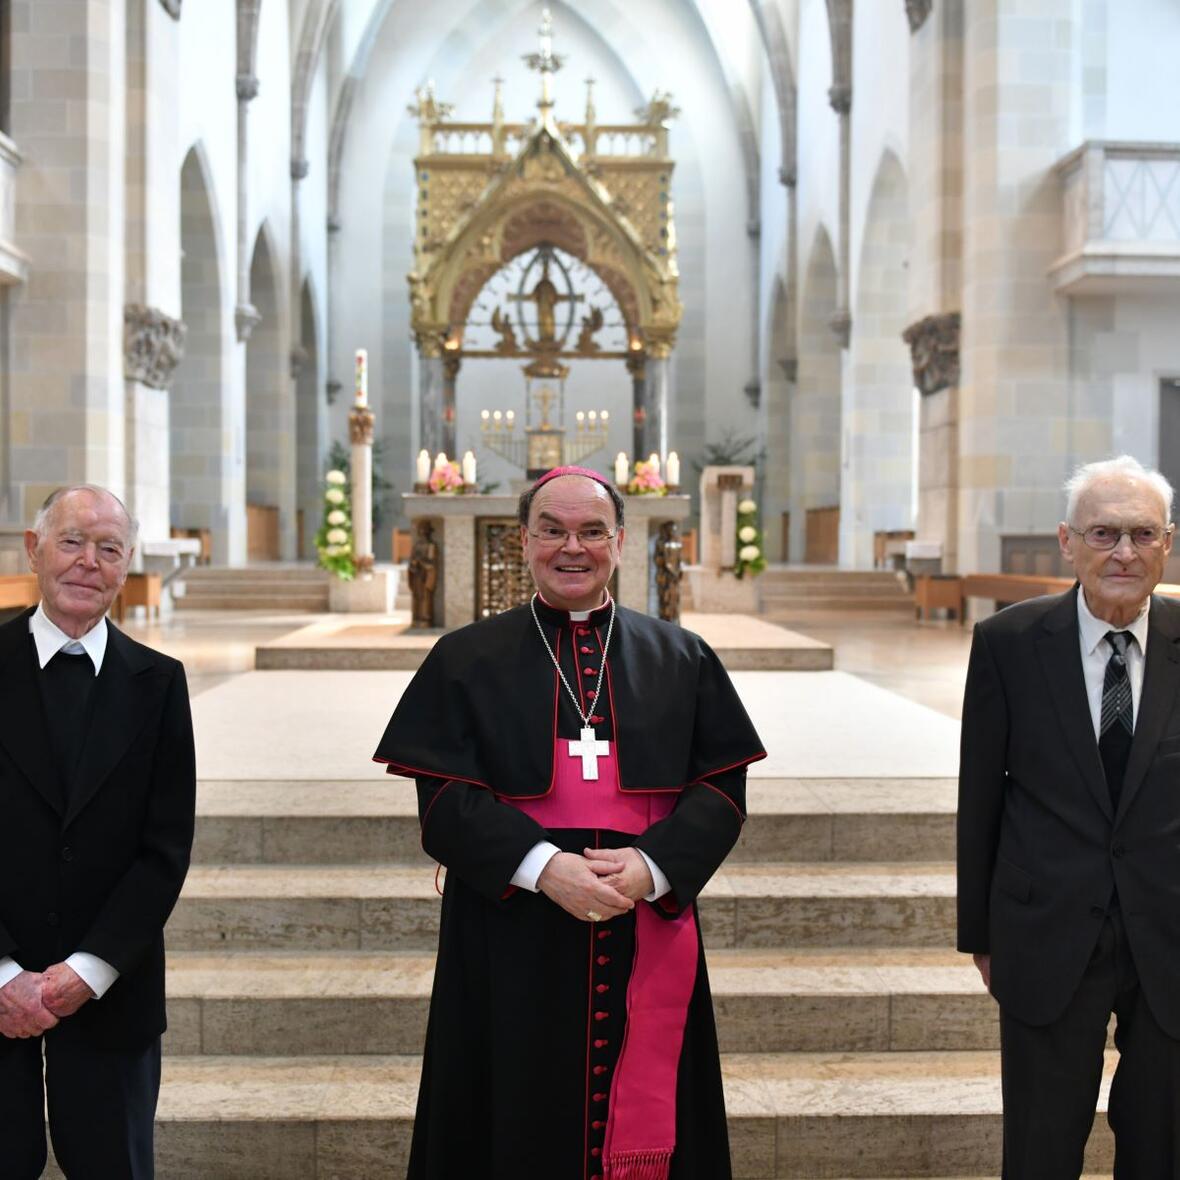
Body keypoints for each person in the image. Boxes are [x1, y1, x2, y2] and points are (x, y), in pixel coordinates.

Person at [375, 465, 764, 1179]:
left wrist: (651, 867)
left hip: (642, 911)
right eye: (552, 530)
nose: (571, 547)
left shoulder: (681, 656)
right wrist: (544, 867)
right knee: (505, 1106)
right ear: (523, 542)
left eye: (590, 531)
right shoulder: (465, 658)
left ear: (619, 541)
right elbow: (443, 802)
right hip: (509, 923)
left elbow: (722, 789)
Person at [958, 454, 1180, 1178]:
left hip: (1171, 929)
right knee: (1042, 1145)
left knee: (1162, 1143)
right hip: (1045, 928)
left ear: (1168, 543)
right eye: (1104, 533)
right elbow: (982, 797)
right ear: (1067, 541)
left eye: (1143, 535)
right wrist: (981, 936)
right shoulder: (1010, 644)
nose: (1124, 553)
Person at [0, 485, 196, 1178]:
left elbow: (165, 848)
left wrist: (86, 972)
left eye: (108, 548)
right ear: (34, 548)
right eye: (72, 541)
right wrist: (5, 974)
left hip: (113, 989)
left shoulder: (160, 682)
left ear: (127, 564)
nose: (89, 562)